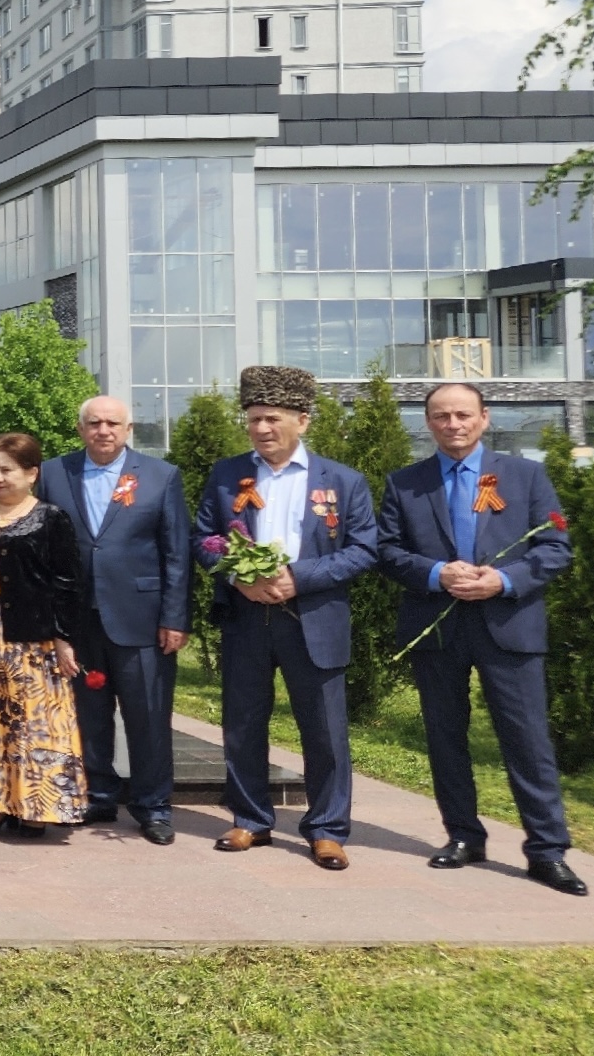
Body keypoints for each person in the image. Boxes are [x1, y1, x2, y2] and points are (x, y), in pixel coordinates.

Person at [375, 383, 586, 896]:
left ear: (484, 418)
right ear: (427, 423)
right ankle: (464, 836)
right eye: (441, 416)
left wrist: (503, 580)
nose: (453, 424)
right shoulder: (405, 484)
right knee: (446, 738)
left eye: (463, 414)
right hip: (439, 625)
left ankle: (546, 849)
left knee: (526, 740)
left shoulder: (525, 476)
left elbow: (555, 548)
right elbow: (385, 550)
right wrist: (435, 574)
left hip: (508, 623)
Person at [194, 364, 377, 871]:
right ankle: (251, 820)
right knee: (243, 723)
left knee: (324, 730)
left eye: (271, 418)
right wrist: (238, 578)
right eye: (253, 419)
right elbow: (203, 539)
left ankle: (326, 829)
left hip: (312, 617)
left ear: (303, 420)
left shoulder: (343, 481)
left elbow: (364, 550)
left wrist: (301, 577)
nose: (261, 429)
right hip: (247, 618)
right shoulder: (229, 474)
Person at [35, 396, 192, 846]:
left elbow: (176, 553)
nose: (103, 430)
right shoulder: (53, 472)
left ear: (128, 429)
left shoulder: (161, 476)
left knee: (148, 715)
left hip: (142, 619)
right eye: (94, 423)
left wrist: (175, 617)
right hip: (78, 620)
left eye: (113, 423)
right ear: (81, 428)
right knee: (88, 713)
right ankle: (97, 794)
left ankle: (153, 805)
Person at [0, 432, 88, 836]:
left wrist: (64, 638)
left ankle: (35, 809)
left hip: (32, 638)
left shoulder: (51, 518)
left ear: (32, 473)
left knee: (33, 722)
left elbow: (67, 582)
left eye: (7, 470)